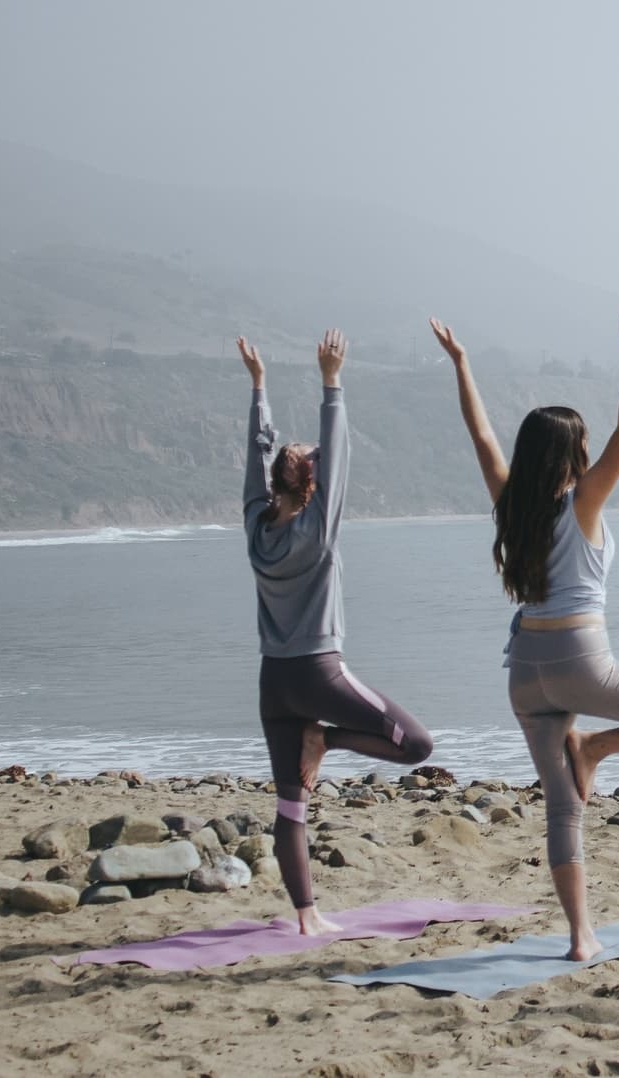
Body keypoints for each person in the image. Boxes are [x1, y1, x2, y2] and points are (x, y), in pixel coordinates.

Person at [430, 300, 619, 962]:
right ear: (574, 452)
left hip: (523, 675)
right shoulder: (583, 503)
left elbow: (481, 436)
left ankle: (580, 937)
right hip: (581, 664)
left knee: (562, 809)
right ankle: (597, 746)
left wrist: (462, 363)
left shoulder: (511, 506)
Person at [240, 331, 435, 936]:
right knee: (416, 745)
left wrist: (260, 389)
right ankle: (324, 740)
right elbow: (338, 452)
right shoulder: (319, 530)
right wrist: (332, 382)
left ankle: (307, 916)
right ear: (312, 482)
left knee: (290, 805)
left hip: (274, 683)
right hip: (320, 675)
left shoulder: (255, 528)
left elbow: (256, 458)